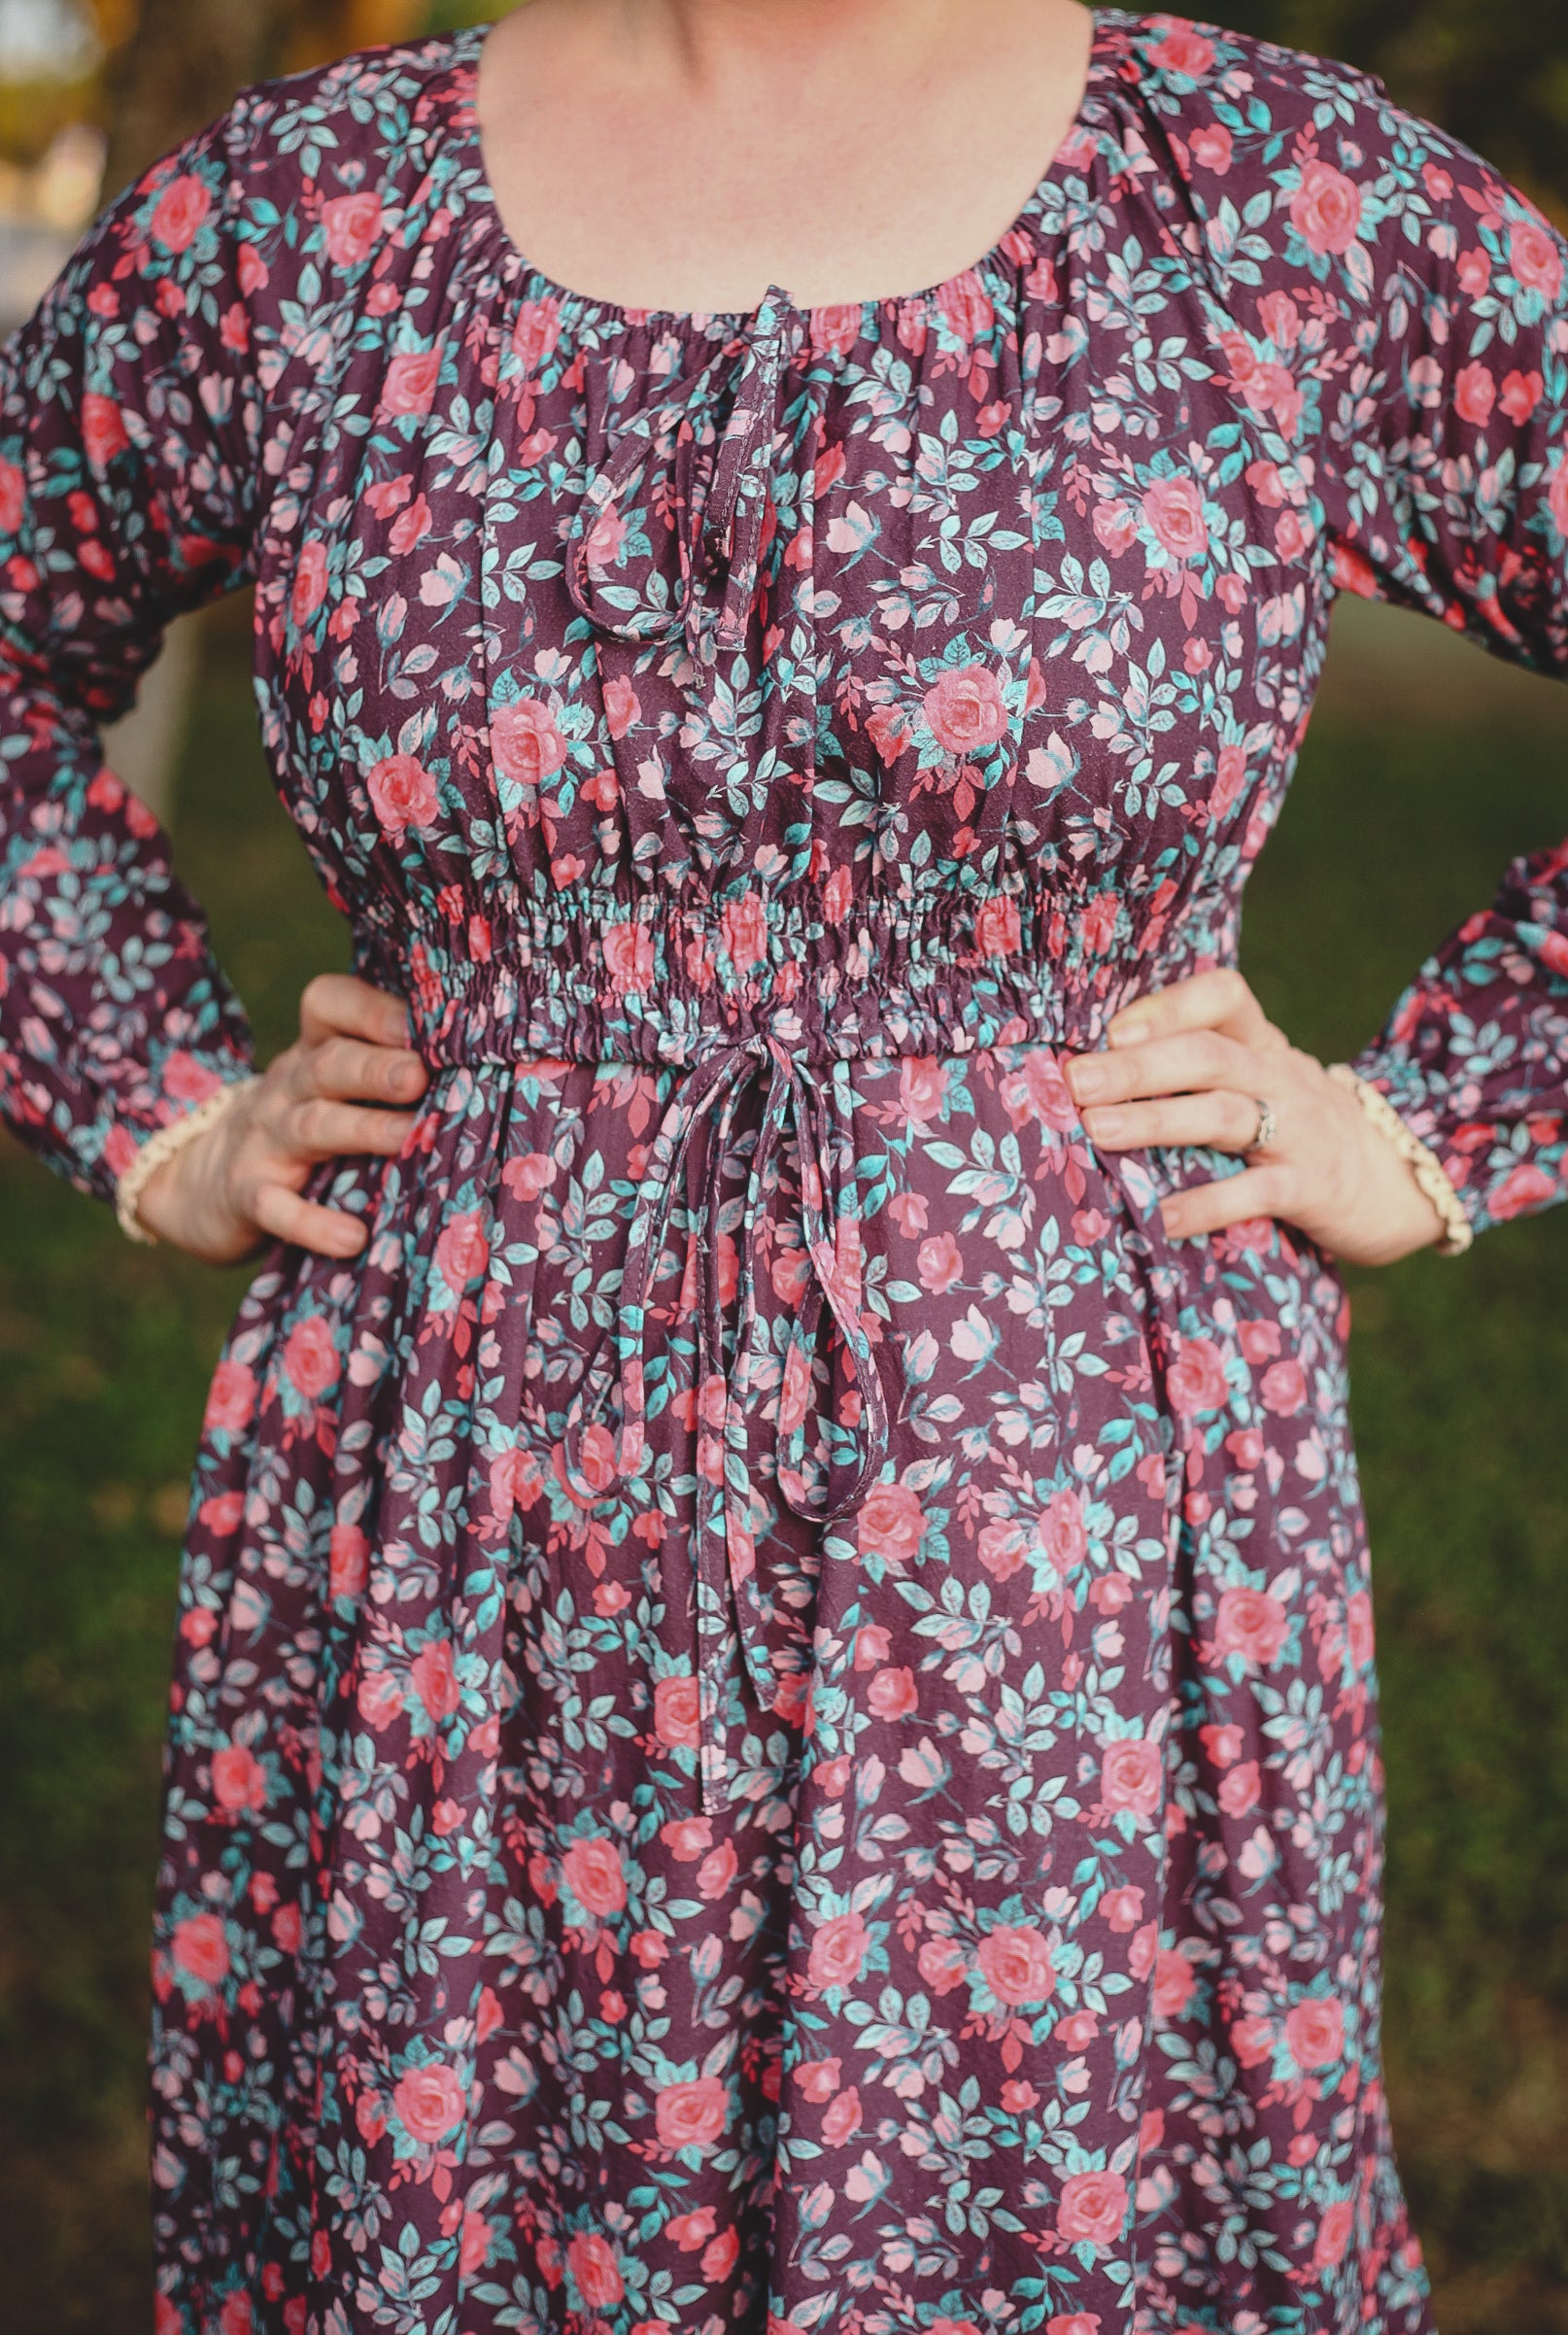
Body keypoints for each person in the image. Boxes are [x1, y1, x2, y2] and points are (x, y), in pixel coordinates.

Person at [0, 0, 1562, 2324]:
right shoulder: (310, 217)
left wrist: (1437, 1116)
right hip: (465, 1556)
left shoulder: (1257, 190)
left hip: (1062, 1568)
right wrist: (141, 1091)